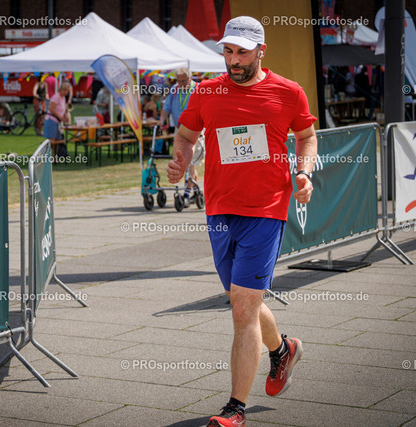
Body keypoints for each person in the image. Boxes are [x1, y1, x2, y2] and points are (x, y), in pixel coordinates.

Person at [167, 16, 317, 427]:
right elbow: (186, 135)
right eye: (228, 52)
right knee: (241, 300)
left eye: (242, 53)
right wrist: (180, 161)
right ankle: (283, 349)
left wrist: (304, 172)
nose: (233, 60)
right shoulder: (206, 91)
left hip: (266, 210)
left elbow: (306, 136)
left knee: (242, 310)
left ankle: (235, 409)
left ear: (261, 51)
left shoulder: (288, 92)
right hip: (219, 210)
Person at [160, 67, 203, 207]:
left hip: (196, 130)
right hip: (180, 130)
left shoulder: (199, 89)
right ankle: (195, 191)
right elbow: (166, 108)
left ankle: (186, 194)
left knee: (191, 162)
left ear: (190, 78)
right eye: (179, 81)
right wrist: (161, 121)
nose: (182, 84)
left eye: (184, 81)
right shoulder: (174, 90)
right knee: (183, 162)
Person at [44, 82, 71, 157]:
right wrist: (59, 116)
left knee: (58, 139)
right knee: (52, 140)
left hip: (57, 122)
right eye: (66, 90)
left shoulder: (63, 98)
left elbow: (63, 108)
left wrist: (65, 115)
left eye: (68, 91)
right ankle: (50, 157)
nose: (66, 92)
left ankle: (56, 156)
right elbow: (51, 108)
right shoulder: (56, 97)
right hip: (52, 120)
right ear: (62, 89)